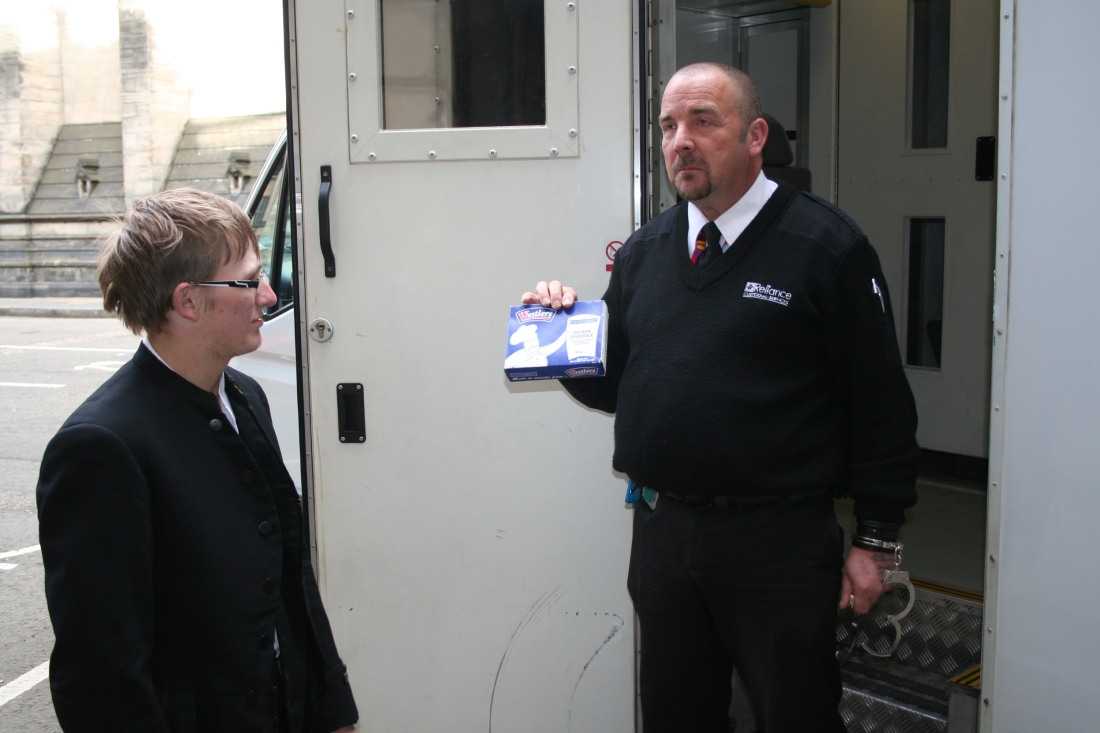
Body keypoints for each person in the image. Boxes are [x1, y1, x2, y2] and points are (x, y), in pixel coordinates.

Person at [522, 63, 919, 732]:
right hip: (665, 537)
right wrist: (559, 335)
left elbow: (880, 402)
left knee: (796, 716)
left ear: (755, 136)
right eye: (668, 126)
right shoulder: (646, 252)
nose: (681, 140)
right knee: (677, 716)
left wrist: (875, 540)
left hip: (778, 543)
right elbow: (616, 384)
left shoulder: (825, 246)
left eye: (703, 121)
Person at [37, 188, 358, 733]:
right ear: (187, 301)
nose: (267, 295)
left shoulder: (245, 395)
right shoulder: (101, 446)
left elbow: (289, 582)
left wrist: (333, 712)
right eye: (248, 281)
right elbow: (100, 674)